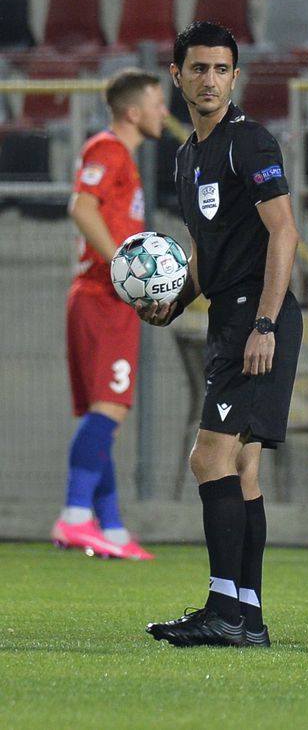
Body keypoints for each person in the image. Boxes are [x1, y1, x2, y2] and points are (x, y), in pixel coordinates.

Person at [140, 21, 303, 648]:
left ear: (235, 77)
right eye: (198, 68)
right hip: (227, 315)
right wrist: (177, 300)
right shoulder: (187, 155)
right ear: (176, 76)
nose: (209, 80)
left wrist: (264, 322)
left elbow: (284, 232)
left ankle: (223, 610)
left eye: (221, 69)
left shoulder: (249, 142)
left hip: (254, 319)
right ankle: (247, 617)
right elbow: (205, 250)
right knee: (242, 468)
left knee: (208, 458)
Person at [53, 68, 167, 561]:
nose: (164, 112)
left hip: (98, 298)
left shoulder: (123, 158)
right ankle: (76, 515)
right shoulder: (108, 149)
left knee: (103, 415)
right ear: (133, 112)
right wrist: (126, 267)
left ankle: (113, 529)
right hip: (103, 297)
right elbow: (82, 208)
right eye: (158, 103)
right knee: (109, 411)